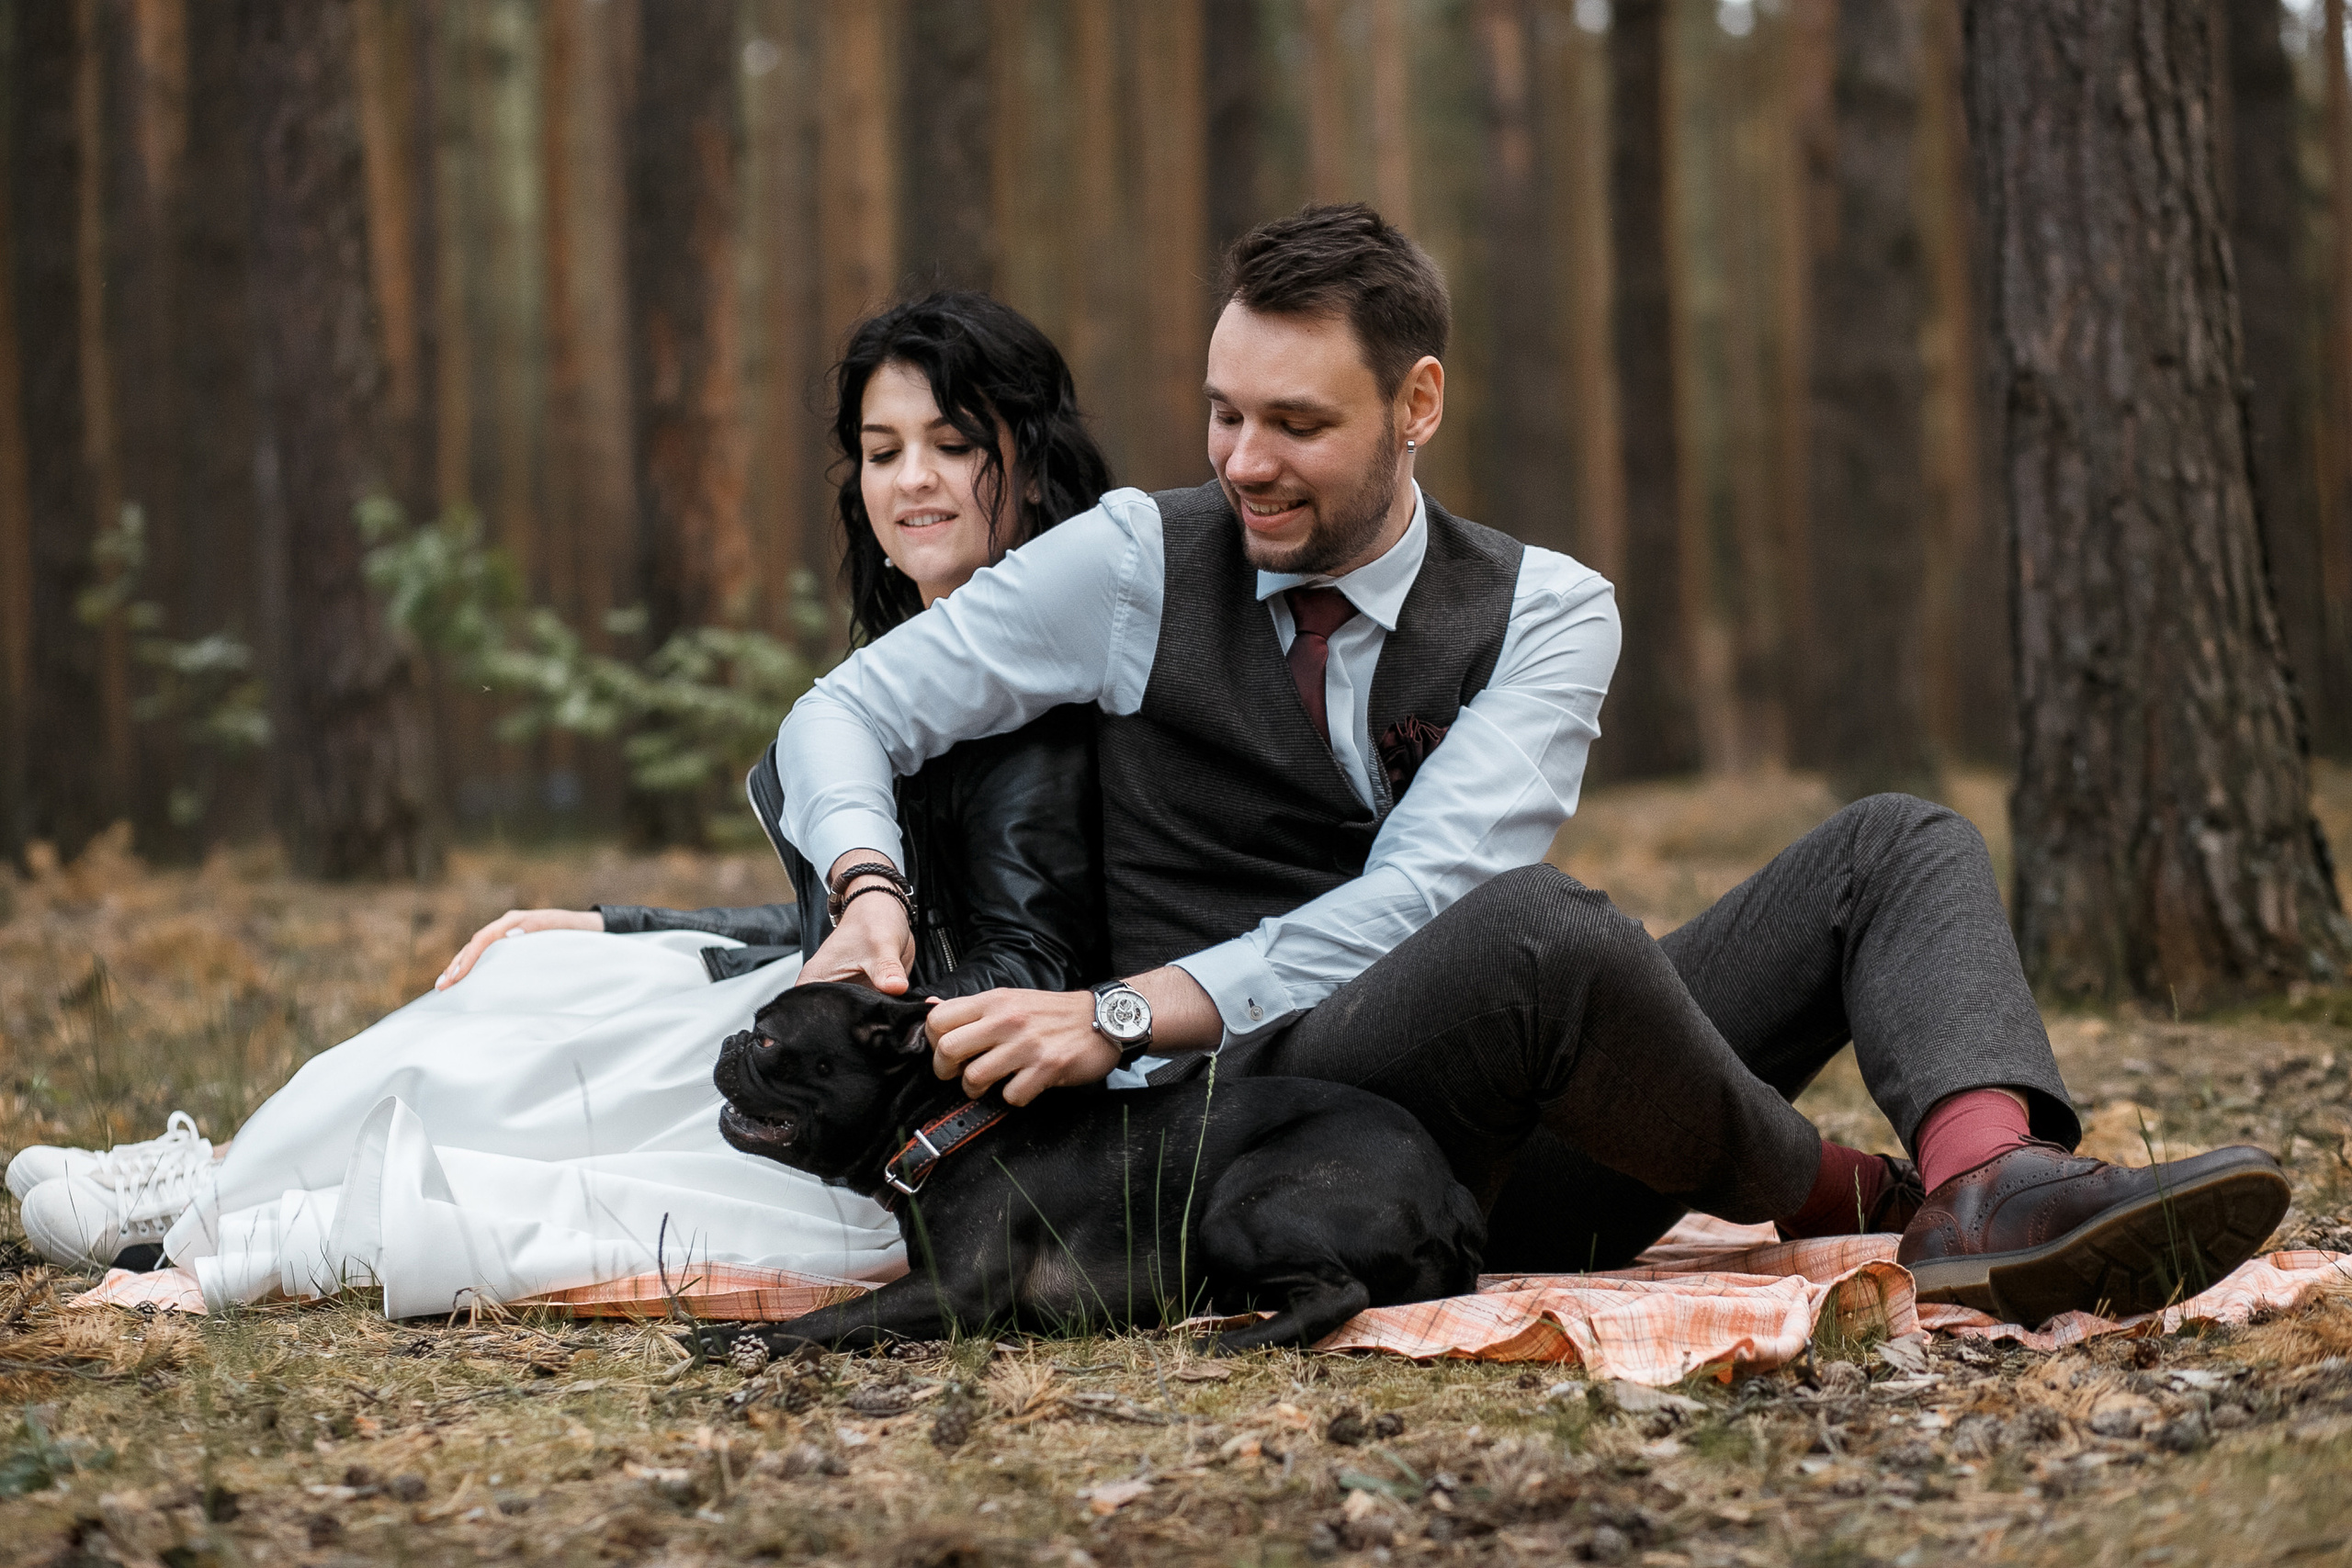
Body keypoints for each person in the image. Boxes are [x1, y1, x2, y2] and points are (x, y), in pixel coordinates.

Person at [776, 204, 2289, 1325]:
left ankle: (1989, 1181)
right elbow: (838, 715)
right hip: (1253, 1140)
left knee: (1888, 846)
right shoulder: (1127, 561)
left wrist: (1118, 1008)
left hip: (1545, 1143)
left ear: (1416, 407)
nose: (1240, 461)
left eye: (1297, 424)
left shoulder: (1548, 610)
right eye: (1225, 412)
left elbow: (1425, 897)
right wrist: (864, 882)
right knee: (1546, 935)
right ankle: (1851, 1193)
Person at [7, 293, 1118, 1317]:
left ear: (1032, 463)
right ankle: (214, 1184)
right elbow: (875, 922)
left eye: (953, 446)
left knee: (541, 1096)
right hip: (844, 1020)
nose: (911, 480)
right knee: (539, 971)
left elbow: (1022, 968)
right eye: (883, 452)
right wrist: (614, 924)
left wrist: (826, 1021)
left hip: (892, 1088)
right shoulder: (910, 661)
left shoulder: (1039, 701)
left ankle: (233, 1243)